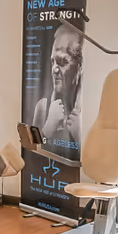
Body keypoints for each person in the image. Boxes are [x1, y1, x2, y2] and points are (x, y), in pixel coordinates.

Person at [33, 23, 83, 151]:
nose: (54, 70)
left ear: (79, 66)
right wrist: (47, 130)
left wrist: (79, 136)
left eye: (61, 62)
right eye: (53, 62)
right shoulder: (42, 107)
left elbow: (96, 158)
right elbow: (32, 151)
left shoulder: (87, 112)